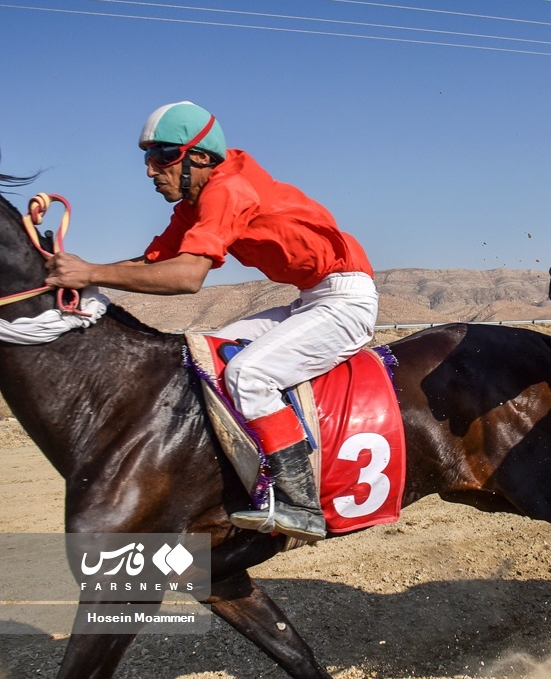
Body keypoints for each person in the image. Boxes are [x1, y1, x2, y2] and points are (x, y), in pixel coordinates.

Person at [44, 101, 379, 540]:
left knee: (249, 374)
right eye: (147, 158)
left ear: (199, 157)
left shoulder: (227, 190)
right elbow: (151, 261)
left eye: (162, 156)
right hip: (312, 299)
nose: (150, 171)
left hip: (346, 300)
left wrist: (89, 273)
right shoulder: (195, 204)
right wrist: (81, 277)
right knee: (210, 357)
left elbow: (186, 278)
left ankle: (303, 505)